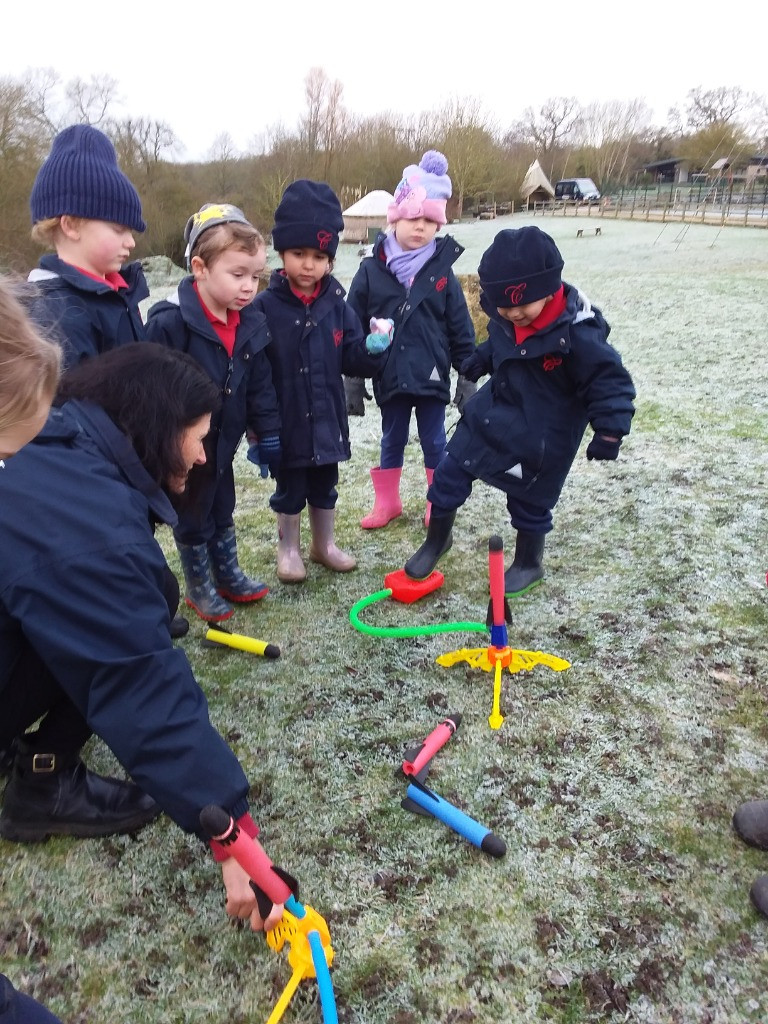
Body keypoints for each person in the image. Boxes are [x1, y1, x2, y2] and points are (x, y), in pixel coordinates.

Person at [0, 344, 285, 934]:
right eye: (199, 438)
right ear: (156, 426)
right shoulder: (85, 527)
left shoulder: (62, 436)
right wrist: (235, 837)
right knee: (132, 614)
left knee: (149, 596)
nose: (205, 456)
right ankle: (43, 786)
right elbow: (136, 677)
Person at [403, 225, 636, 595]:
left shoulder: (579, 333)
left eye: (521, 303)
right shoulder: (508, 318)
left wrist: (609, 429)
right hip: (492, 416)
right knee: (449, 473)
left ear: (549, 288)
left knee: (529, 501)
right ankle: (436, 541)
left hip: (540, 436)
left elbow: (609, 381)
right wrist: (481, 359)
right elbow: (500, 344)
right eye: (503, 306)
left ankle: (529, 562)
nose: (512, 313)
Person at [146, 204, 280, 622]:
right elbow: (154, 390)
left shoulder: (250, 321)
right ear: (200, 268)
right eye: (237, 275)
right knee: (192, 513)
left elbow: (260, 382)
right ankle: (199, 587)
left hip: (227, 439)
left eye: (255, 276)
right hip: (186, 447)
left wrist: (266, 433)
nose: (249, 287)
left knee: (223, 504)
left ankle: (229, 574)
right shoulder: (170, 323)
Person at [252, 180, 390, 583]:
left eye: (318, 256)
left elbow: (351, 355)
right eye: (298, 254)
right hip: (287, 420)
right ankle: (289, 549)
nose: (308, 265)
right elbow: (257, 369)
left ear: (330, 258)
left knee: (324, 486)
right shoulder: (264, 307)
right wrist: (258, 425)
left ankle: (323, 544)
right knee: (290, 489)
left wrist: (374, 348)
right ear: (282, 253)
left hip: (328, 418)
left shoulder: (337, 305)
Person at [346, 150, 476, 530]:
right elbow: (350, 324)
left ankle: (438, 502)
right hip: (390, 375)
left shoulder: (442, 273)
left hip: (432, 375)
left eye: (429, 220)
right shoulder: (371, 271)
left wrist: (467, 375)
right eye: (412, 218)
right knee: (392, 440)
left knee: (435, 441)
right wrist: (351, 376)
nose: (419, 227)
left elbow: (460, 327)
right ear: (395, 218)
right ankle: (388, 503)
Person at [26, 124, 148, 369]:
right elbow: (65, 405)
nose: (131, 242)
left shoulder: (122, 294)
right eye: (118, 229)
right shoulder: (54, 313)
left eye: (131, 231)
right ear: (71, 225)